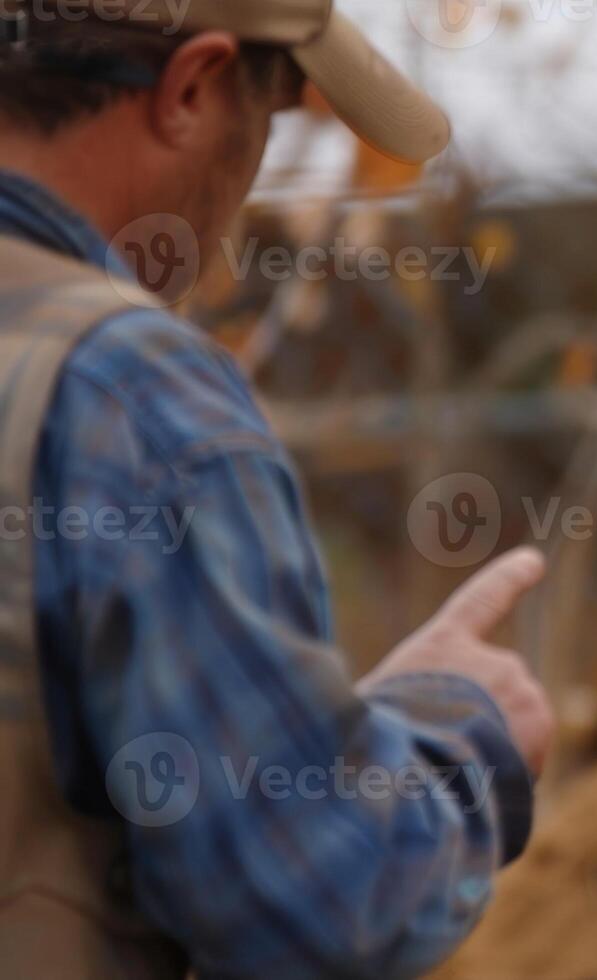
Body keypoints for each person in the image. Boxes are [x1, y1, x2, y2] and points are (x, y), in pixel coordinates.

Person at [0, 2, 553, 975]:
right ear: (192, 90)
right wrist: (456, 727)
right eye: (274, 115)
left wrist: (296, 737)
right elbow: (312, 905)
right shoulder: (125, 387)